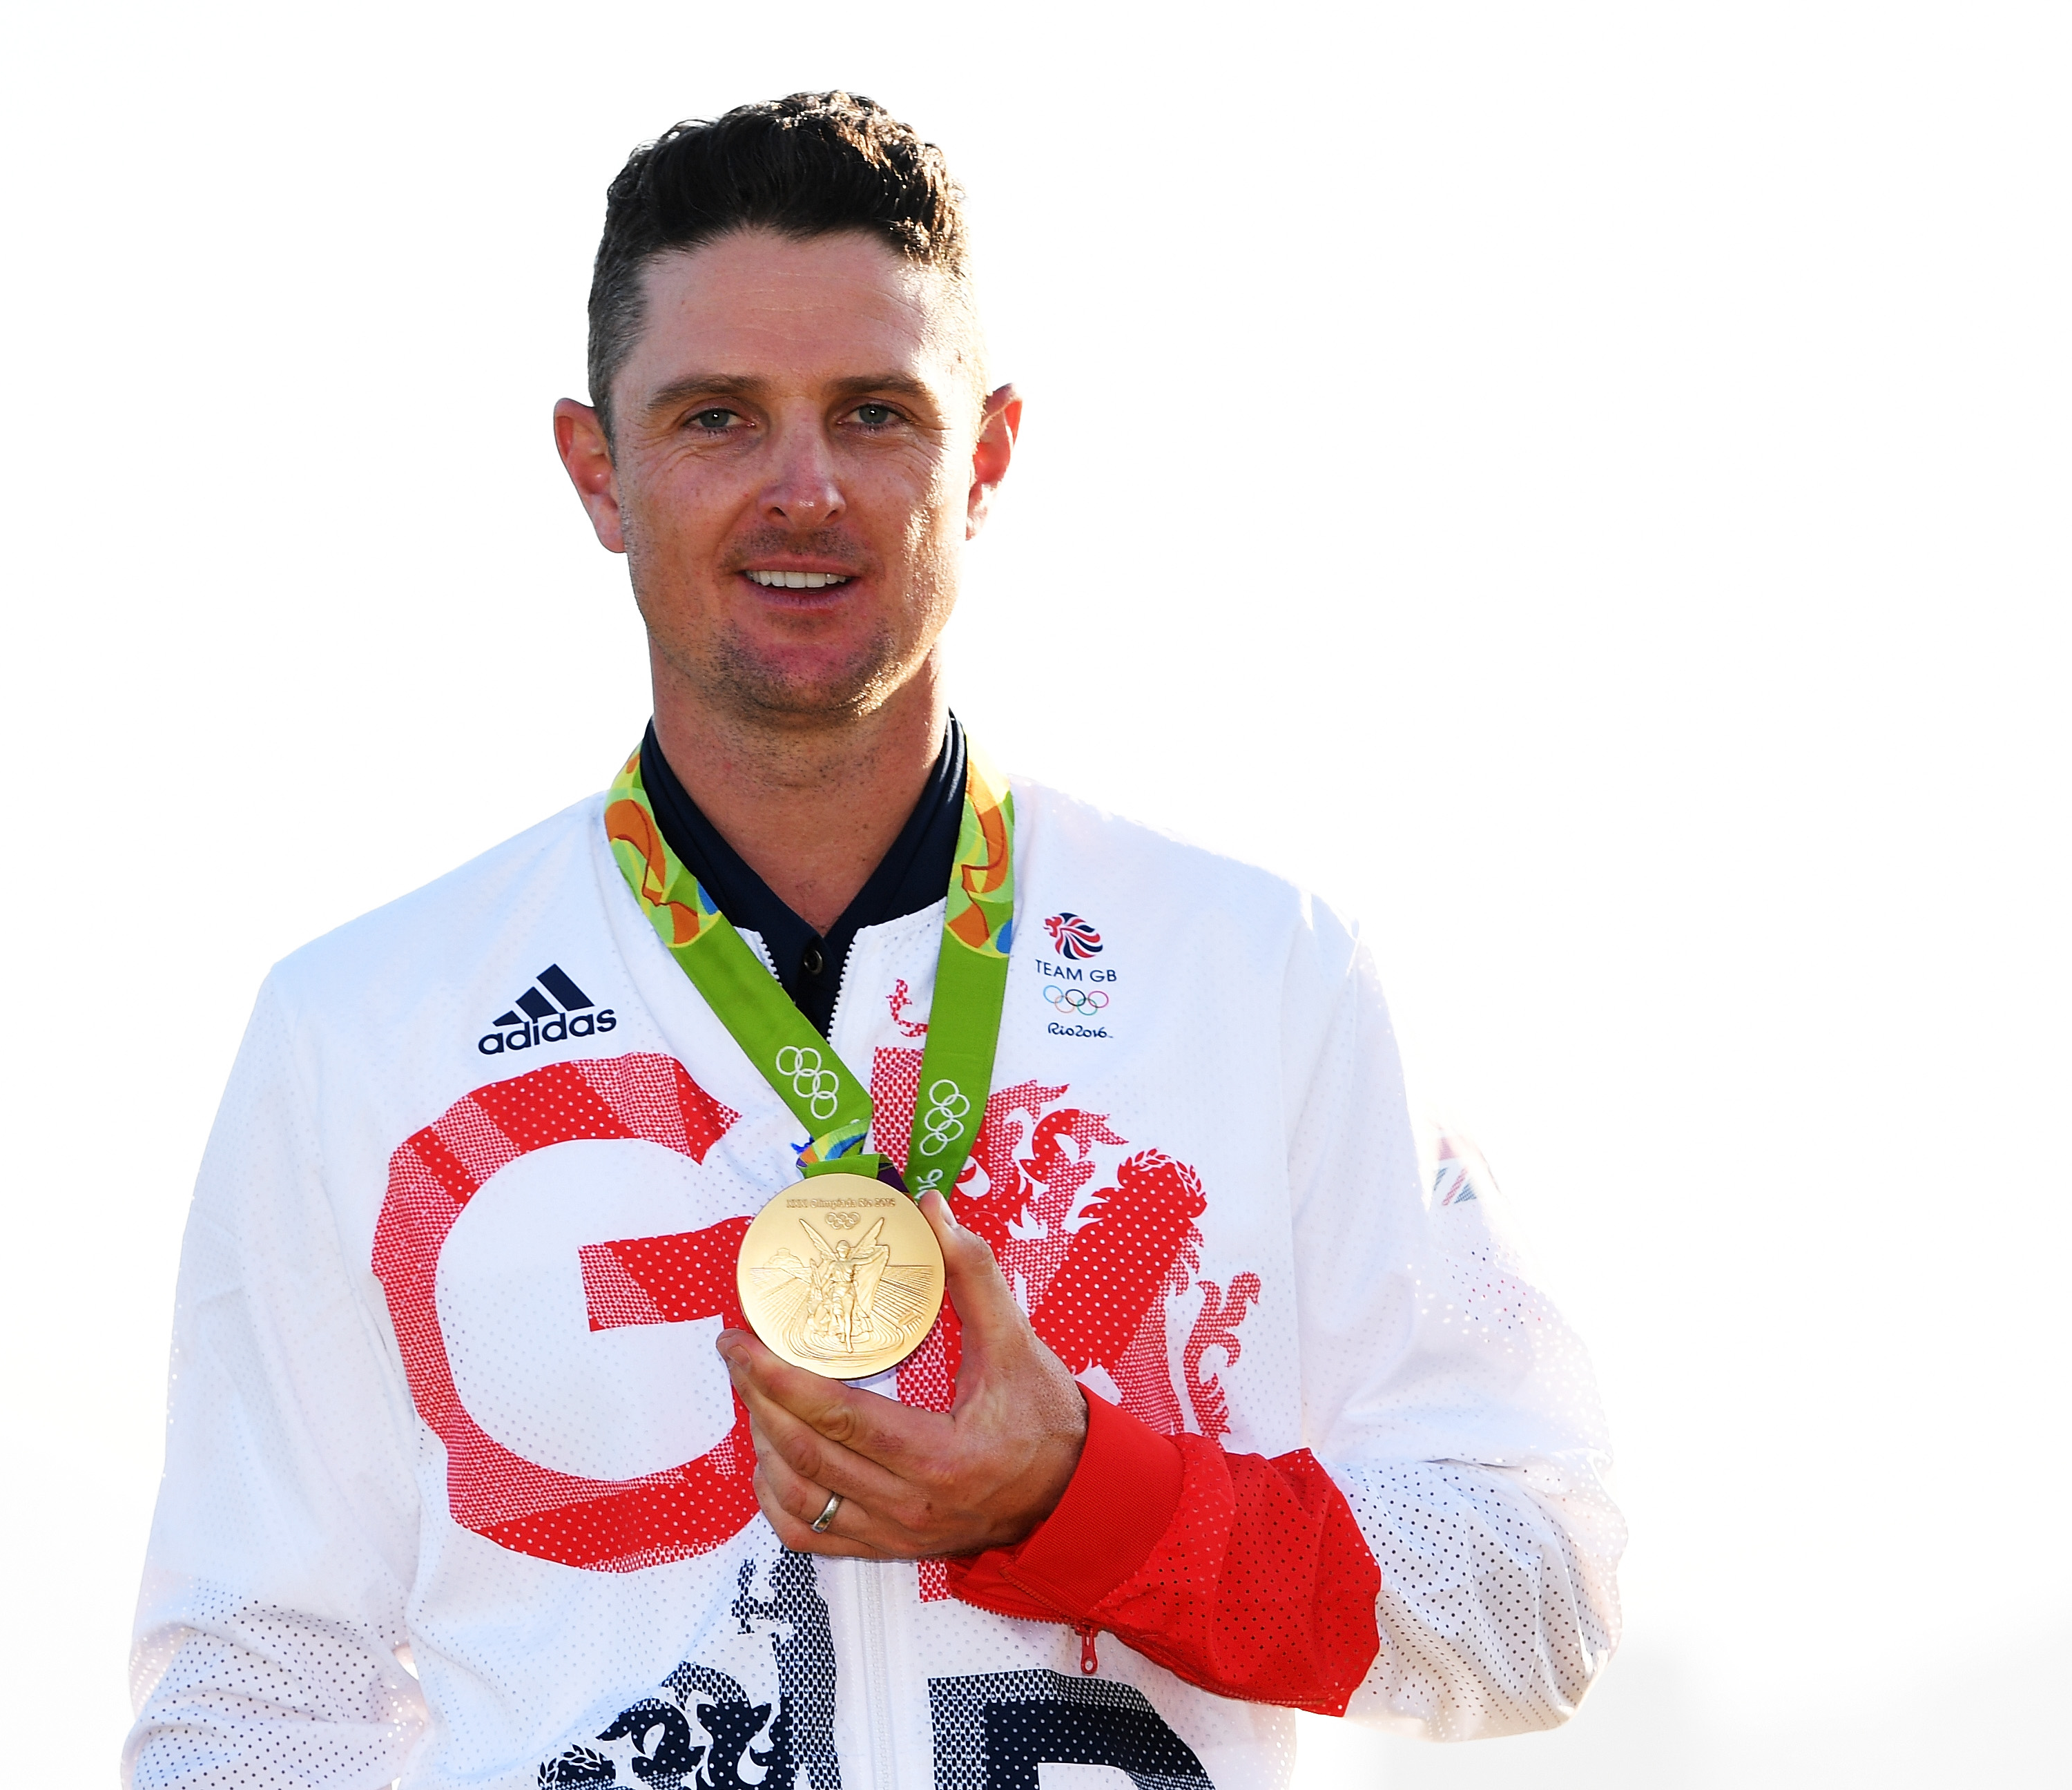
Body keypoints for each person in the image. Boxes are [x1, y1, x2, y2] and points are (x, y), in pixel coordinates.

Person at [124, 91, 1623, 1790]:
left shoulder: (1263, 976)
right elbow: (246, 1707)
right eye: (716, 418)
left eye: (875, 412)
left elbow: (1535, 1597)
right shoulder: (360, 1028)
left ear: (987, 457)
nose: (805, 489)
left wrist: (1081, 1497)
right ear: (596, 470)